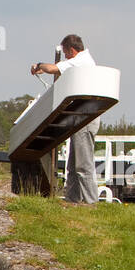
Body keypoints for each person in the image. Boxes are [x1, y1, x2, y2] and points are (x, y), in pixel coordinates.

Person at [31, 34, 99, 203]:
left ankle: (92, 202)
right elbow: (57, 69)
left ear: (71, 50)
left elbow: (54, 69)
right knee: (74, 164)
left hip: (85, 118)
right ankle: (73, 199)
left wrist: (39, 65)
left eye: (66, 52)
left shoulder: (80, 61)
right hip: (81, 117)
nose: (65, 56)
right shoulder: (81, 62)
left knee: (83, 165)